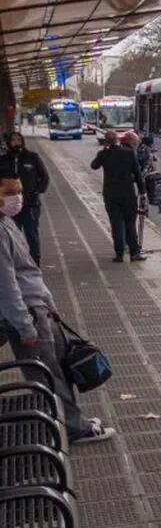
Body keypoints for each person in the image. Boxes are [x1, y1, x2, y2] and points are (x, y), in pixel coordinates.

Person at [0, 175, 116, 443]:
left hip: (37, 308)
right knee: (47, 375)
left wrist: (49, 304)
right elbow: (7, 285)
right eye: (9, 193)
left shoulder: (7, 223)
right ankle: (73, 428)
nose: (17, 198)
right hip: (28, 314)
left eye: (18, 191)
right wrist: (24, 325)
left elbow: (29, 269)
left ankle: (71, 420)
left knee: (60, 368)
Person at [90, 130, 147, 262]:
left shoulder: (103, 154)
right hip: (127, 194)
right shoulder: (128, 153)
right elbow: (137, 173)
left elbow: (94, 166)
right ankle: (134, 253)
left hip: (111, 195)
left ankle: (119, 254)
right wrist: (143, 191)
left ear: (106, 141)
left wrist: (104, 149)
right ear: (117, 140)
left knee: (115, 224)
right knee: (130, 224)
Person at [0, 131, 50, 265]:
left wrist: (37, 191)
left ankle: (35, 263)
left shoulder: (32, 158)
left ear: (22, 142)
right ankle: (15, 263)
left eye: (18, 140)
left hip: (30, 204)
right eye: (13, 140)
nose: (16, 142)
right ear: (9, 143)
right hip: (9, 205)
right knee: (11, 236)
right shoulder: (3, 160)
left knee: (31, 235)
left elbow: (44, 177)